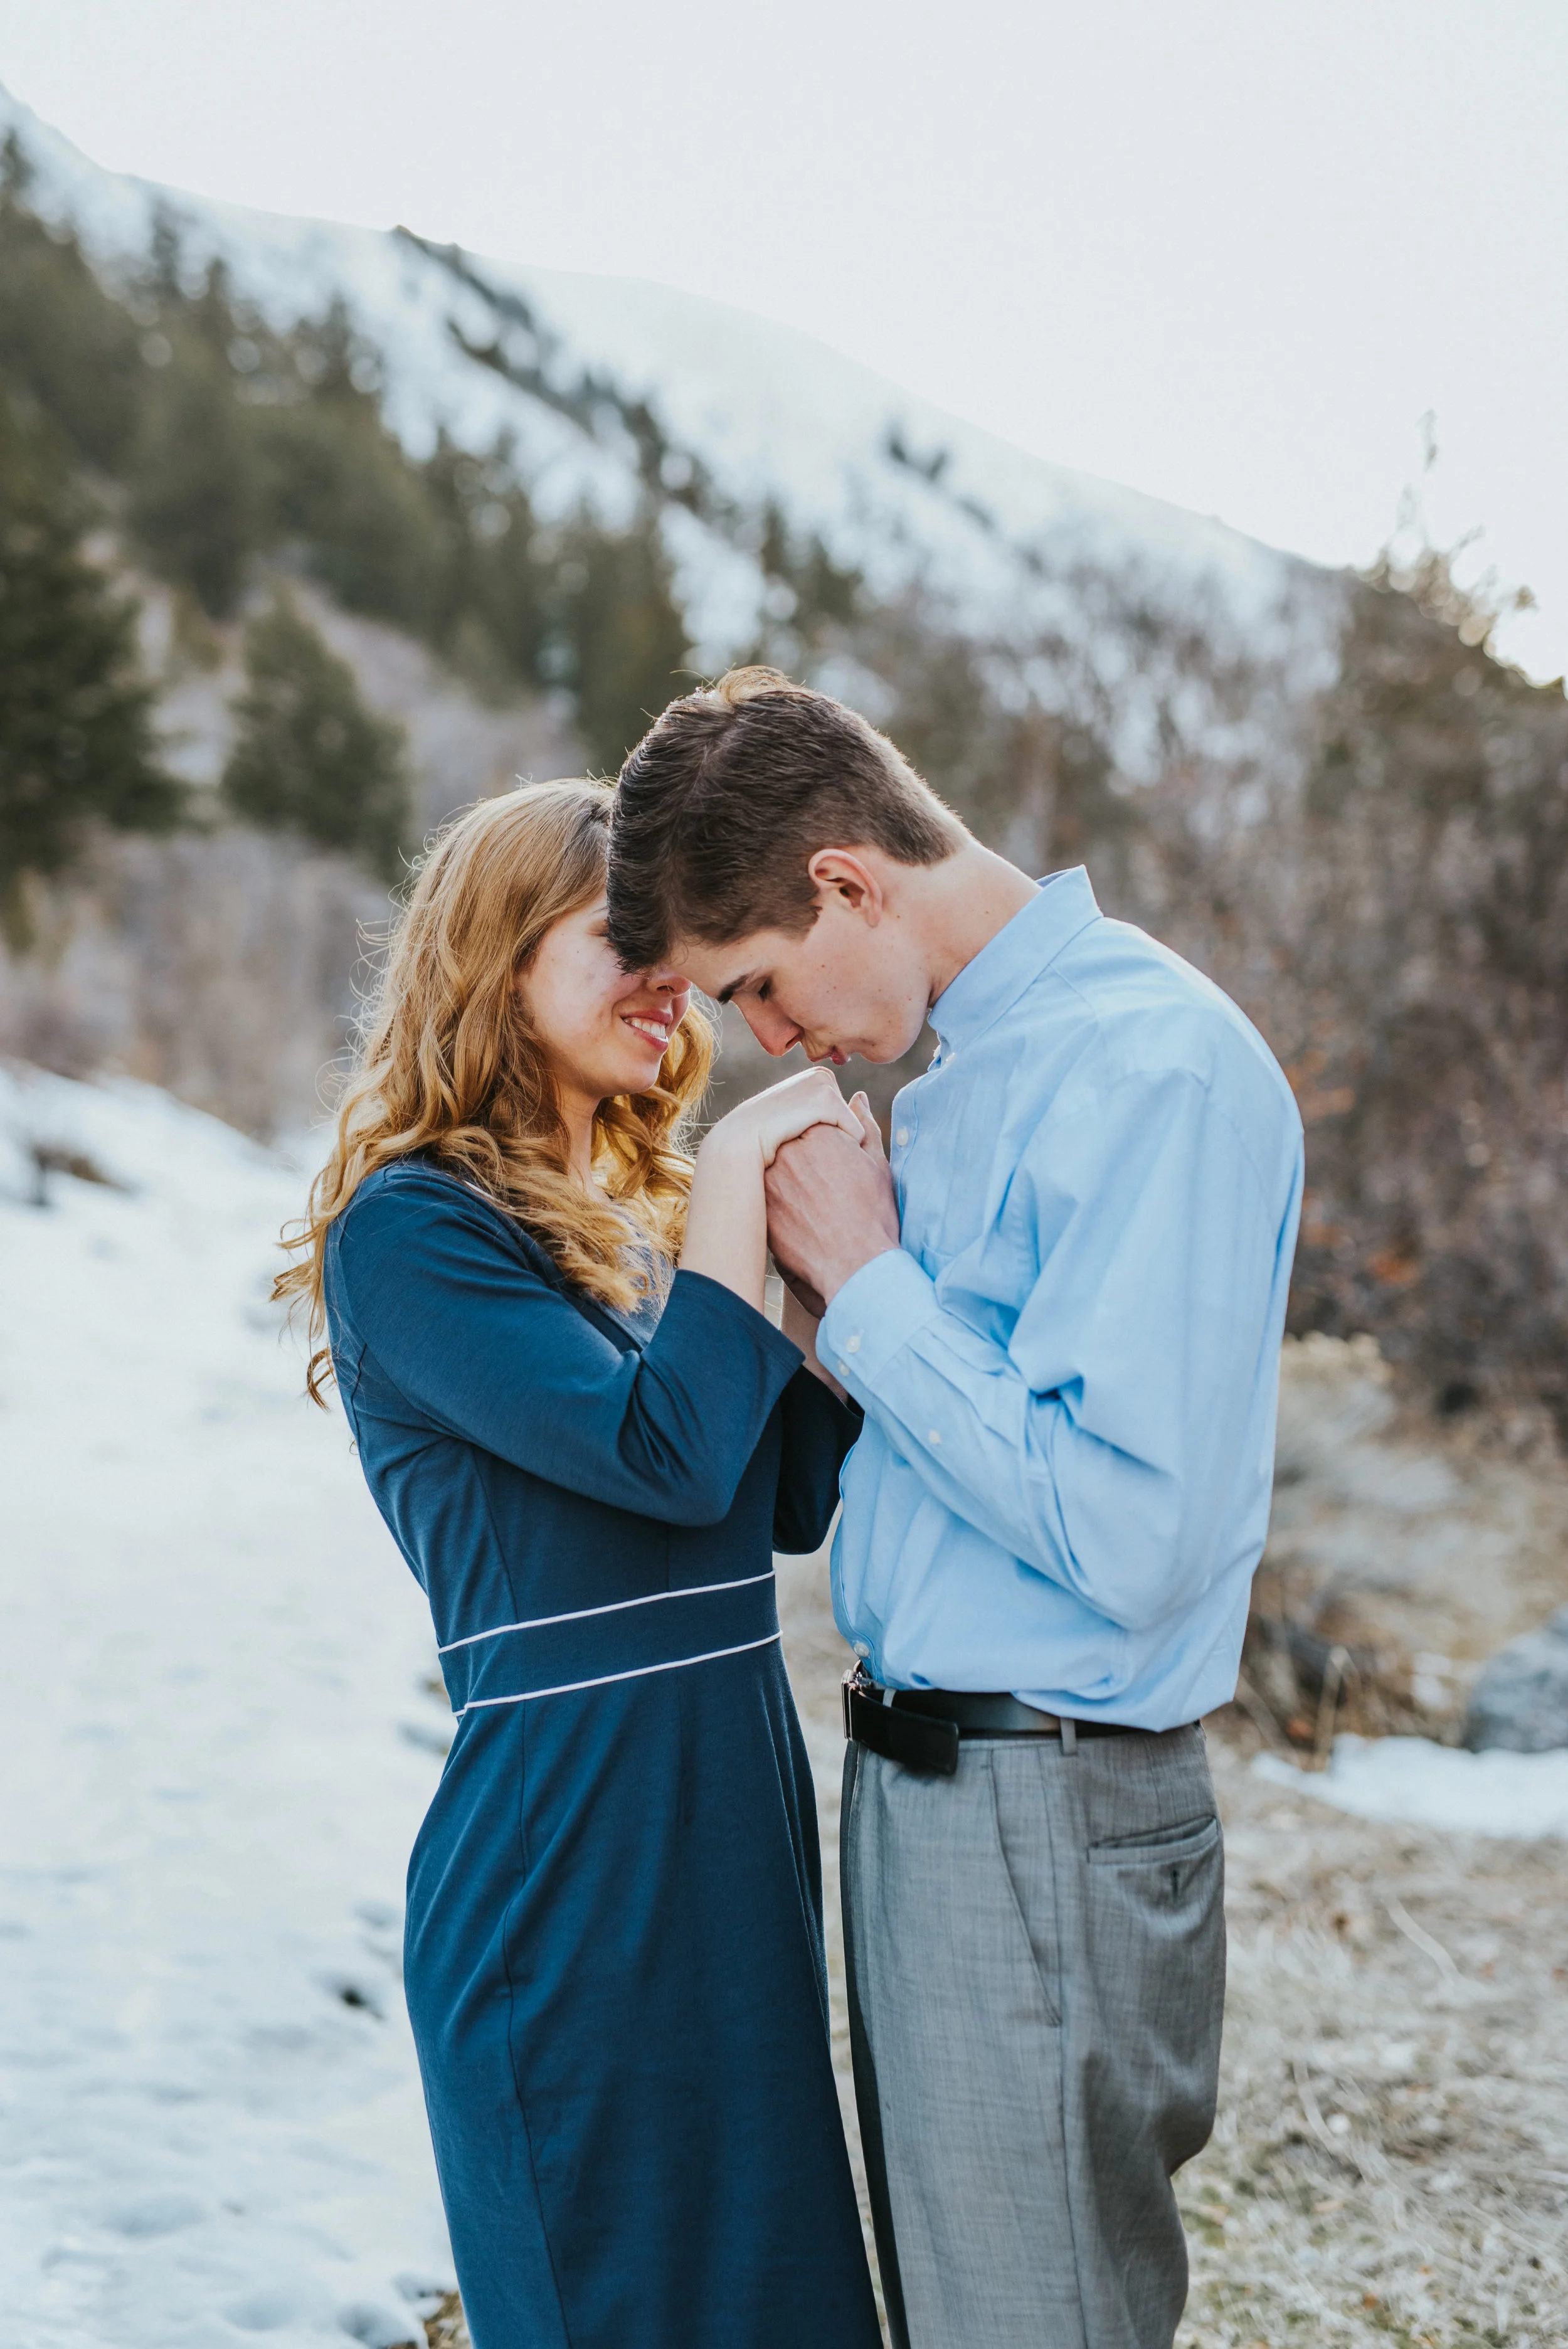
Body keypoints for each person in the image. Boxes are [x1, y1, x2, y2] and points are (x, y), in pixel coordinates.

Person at [608, 668, 1305, 2349]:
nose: (764, 1040)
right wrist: (829, 1328)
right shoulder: (960, 1072)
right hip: (926, 1798)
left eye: (758, 985)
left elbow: (1131, 1543)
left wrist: (866, 1285)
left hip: (1047, 1806)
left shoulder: (1154, 1070)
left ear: (849, 879)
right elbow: (986, 1443)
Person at [275, 779, 884, 2349]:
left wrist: (822, 1277)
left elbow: (786, 1496)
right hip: (565, 1874)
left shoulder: (634, 1223)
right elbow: (664, 1454)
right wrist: (747, 1186)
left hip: (727, 1840)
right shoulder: (410, 1234)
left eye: (671, 948)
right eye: (621, 938)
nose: (666, 979)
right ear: (492, 959)